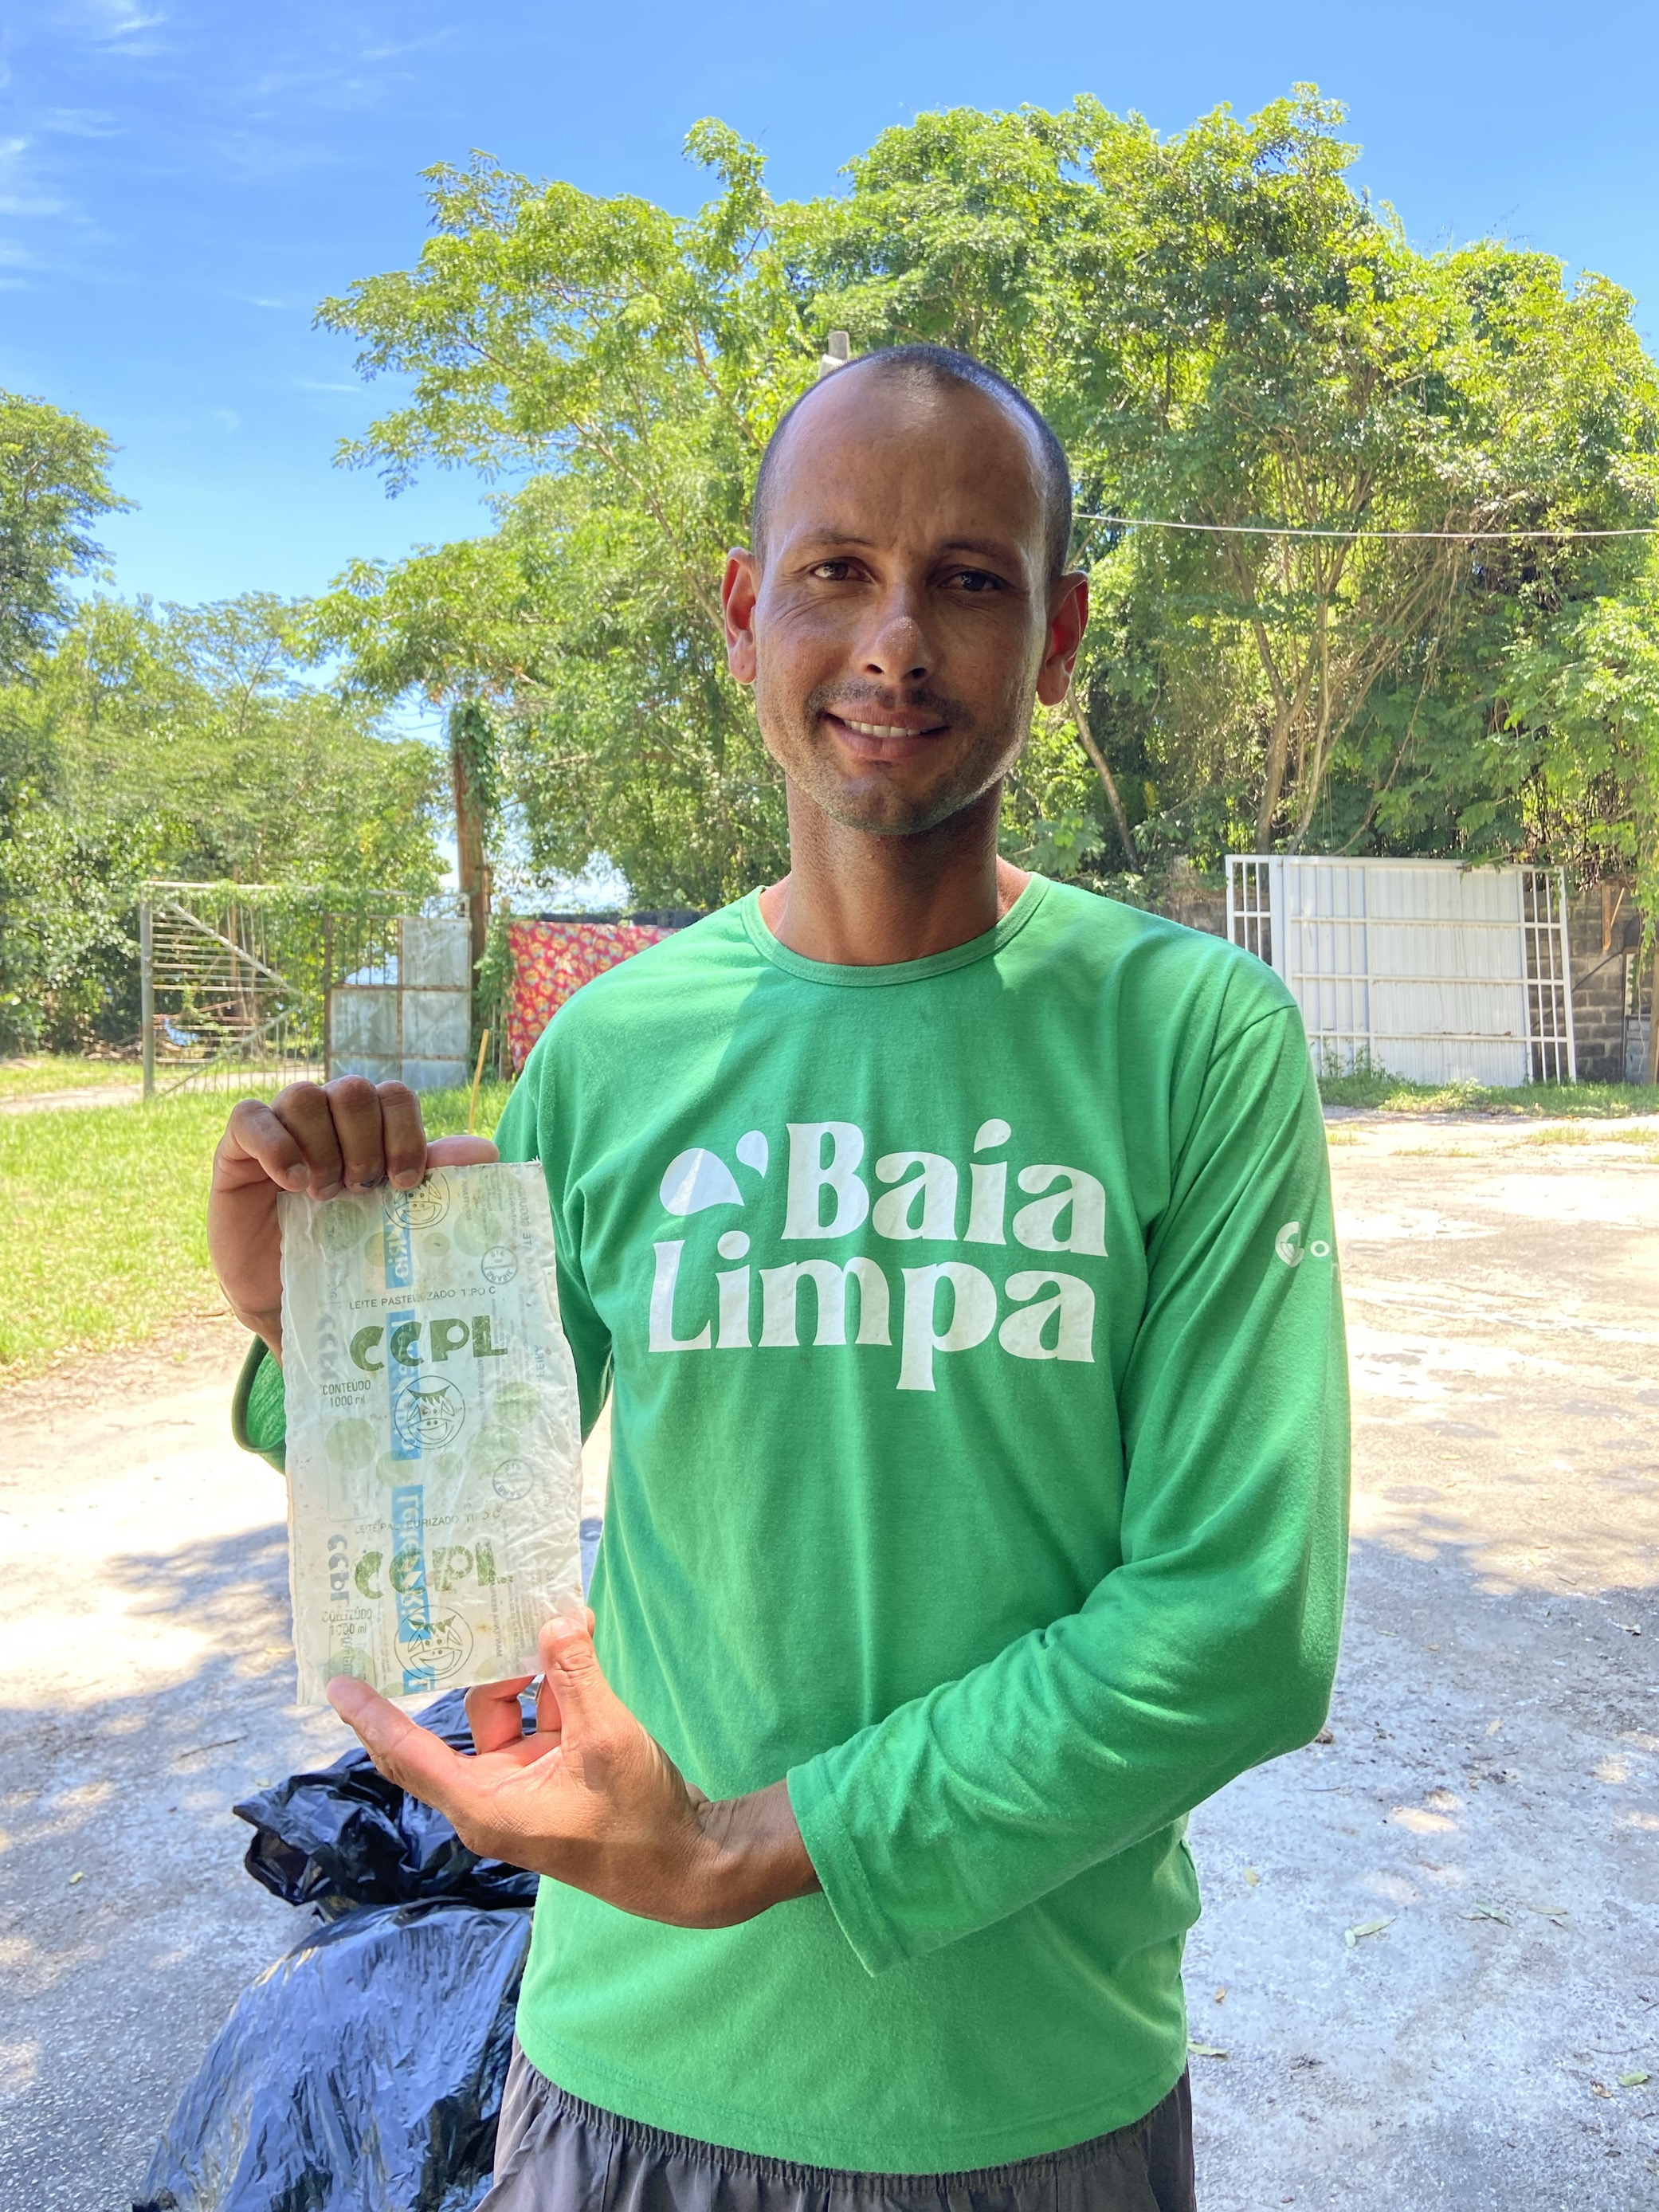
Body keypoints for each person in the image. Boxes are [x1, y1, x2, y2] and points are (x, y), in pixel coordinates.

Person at [210, 344, 1349, 2211]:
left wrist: (753, 1841)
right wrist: (304, 1326)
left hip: (1032, 2090)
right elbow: (469, 1483)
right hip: (631, 2060)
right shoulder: (617, 1048)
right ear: (749, 614)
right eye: (836, 571)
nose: (895, 640)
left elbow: (1239, 1621)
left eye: (968, 580)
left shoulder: (1192, 1037)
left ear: (1055, 638)